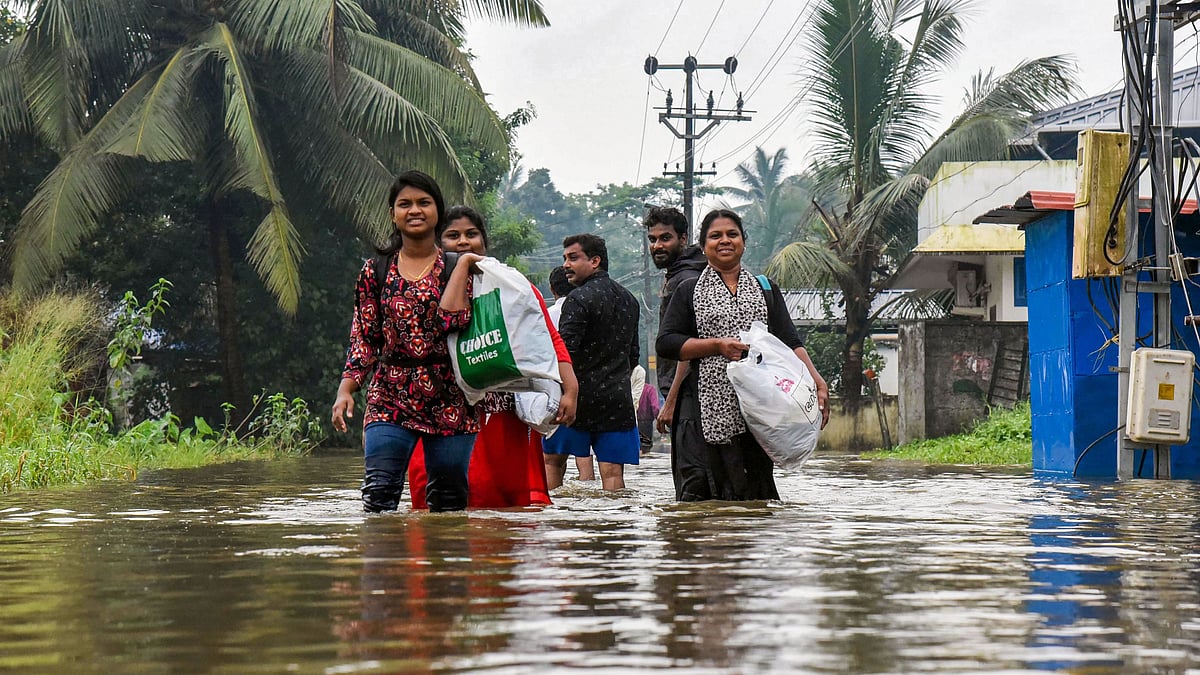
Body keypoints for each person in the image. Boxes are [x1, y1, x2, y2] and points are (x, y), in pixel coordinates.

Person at [406, 205, 580, 508]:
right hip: (437, 413)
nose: (463, 242)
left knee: (500, 506)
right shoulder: (420, 289)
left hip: (499, 417)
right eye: (453, 235)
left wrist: (571, 388)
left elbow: (548, 336)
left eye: (471, 234)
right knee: (437, 503)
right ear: (437, 243)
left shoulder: (512, 286)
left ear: (484, 242)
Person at [332, 171, 484, 513]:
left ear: (437, 212)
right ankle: (384, 563)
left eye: (423, 203)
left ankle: (442, 564)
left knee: (448, 501)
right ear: (393, 214)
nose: (414, 210)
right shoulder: (376, 270)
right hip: (390, 395)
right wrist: (347, 389)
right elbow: (364, 337)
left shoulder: (461, 268)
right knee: (379, 495)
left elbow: (453, 322)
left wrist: (461, 268)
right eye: (405, 204)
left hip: (452, 397)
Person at [656, 209, 830, 501]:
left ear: (743, 242)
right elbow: (668, 343)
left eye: (732, 234)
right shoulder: (689, 290)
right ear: (703, 245)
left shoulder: (764, 289)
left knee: (753, 493)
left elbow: (790, 340)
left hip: (758, 407)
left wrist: (817, 380)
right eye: (715, 236)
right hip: (700, 407)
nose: (724, 241)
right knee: (701, 492)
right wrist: (715, 347)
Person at [544, 233, 641, 491]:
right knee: (612, 473)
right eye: (565, 258)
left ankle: (555, 525)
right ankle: (614, 528)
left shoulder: (577, 299)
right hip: (616, 400)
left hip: (575, 399)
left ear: (595, 261)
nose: (566, 265)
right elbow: (633, 356)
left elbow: (566, 353)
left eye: (573, 258)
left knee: (553, 462)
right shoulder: (629, 299)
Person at [644, 206, 708, 491]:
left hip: (691, 394)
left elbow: (688, 344)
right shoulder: (680, 273)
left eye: (665, 238)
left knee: (691, 477)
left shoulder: (687, 279)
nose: (657, 245)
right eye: (653, 239)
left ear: (683, 239)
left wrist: (669, 401)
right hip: (686, 393)